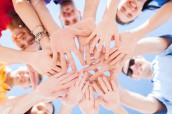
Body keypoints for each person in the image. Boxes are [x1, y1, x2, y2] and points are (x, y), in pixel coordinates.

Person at [119, 35, 172, 113]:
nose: (133, 67)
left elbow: (157, 44)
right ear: (134, 78)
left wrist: (121, 54)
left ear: (139, 56)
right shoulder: (158, 95)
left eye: (132, 62)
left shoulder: (164, 54)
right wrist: (117, 92)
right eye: (130, 71)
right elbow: (148, 106)